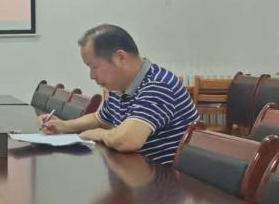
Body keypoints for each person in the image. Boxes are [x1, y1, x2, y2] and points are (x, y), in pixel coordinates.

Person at [39, 24, 198, 165]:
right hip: (134, 173)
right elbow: (100, 119)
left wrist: (97, 134)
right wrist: (64, 125)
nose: (92, 76)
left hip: (164, 182)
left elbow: (127, 141)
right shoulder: (121, 86)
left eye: (94, 67)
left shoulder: (158, 85)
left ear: (120, 57)